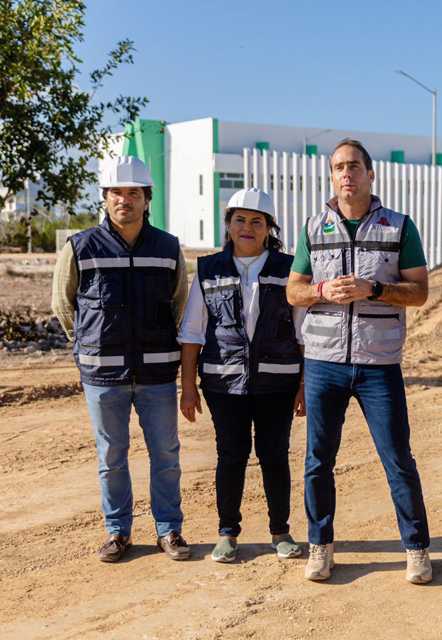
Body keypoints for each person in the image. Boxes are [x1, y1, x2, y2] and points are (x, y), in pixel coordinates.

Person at [286, 139, 433, 584]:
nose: (346, 174)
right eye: (338, 168)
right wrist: (320, 292)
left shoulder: (399, 227)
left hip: (379, 364)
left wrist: (376, 288)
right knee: (317, 461)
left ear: (371, 174)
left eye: (354, 166)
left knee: (397, 458)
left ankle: (417, 549)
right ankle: (320, 546)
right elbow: (293, 291)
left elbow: (421, 293)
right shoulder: (313, 228)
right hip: (324, 363)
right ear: (330, 177)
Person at [51, 156, 190, 563]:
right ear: (105, 197)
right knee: (111, 458)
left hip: (156, 372)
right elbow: (63, 304)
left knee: (165, 454)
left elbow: (178, 301)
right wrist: (88, 346)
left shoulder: (168, 247)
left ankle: (169, 530)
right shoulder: (80, 245)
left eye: (134, 193)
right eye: (117, 192)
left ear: (147, 199)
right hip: (102, 374)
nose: (124, 199)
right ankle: (118, 531)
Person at [178, 187, 306, 563]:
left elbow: (302, 333)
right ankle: (227, 533)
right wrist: (188, 388)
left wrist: (303, 385)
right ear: (228, 225)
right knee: (230, 455)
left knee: (274, 455)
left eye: (256, 221)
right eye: (240, 220)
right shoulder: (208, 269)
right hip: (223, 384)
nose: (247, 227)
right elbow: (192, 333)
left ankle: (280, 532)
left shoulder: (290, 269)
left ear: (269, 228)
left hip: (277, 383)